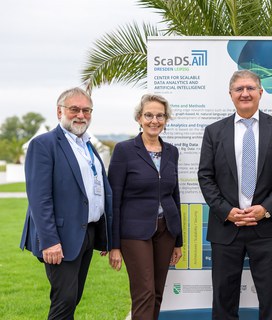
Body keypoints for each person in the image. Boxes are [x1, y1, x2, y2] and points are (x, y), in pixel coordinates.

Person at [197, 70, 272, 320]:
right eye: (239, 89)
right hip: (227, 227)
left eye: (250, 88)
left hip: (268, 227)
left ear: (261, 93)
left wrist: (265, 209)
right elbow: (205, 176)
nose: (245, 93)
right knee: (223, 298)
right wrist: (225, 211)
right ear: (230, 95)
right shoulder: (214, 132)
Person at [19, 87, 113, 319]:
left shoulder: (88, 146)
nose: (81, 115)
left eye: (86, 110)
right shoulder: (43, 144)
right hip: (60, 238)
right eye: (74, 109)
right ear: (59, 111)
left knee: (74, 297)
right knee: (64, 300)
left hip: (87, 233)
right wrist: (50, 242)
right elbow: (39, 198)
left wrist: (104, 232)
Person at [107, 94, 183, 320]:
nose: (154, 120)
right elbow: (114, 199)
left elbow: (175, 195)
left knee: (158, 293)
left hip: (166, 231)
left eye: (160, 116)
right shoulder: (124, 150)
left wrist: (178, 241)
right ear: (139, 118)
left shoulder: (172, 151)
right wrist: (114, 245)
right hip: (134, 233)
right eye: (148, 115)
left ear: (166, 119)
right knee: (144, 292)